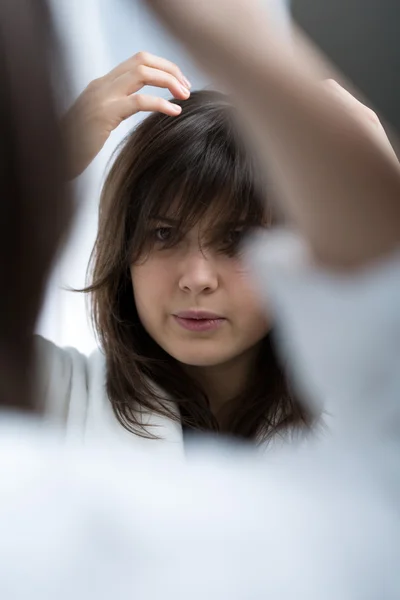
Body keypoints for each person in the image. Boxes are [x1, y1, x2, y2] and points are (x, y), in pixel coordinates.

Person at [38, 51, 311, 452]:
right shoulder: (57, 400)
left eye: (236, 239)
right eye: (164, 234)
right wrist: (50, 162)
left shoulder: (357, 420)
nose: (197, 279)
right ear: (123, 249)